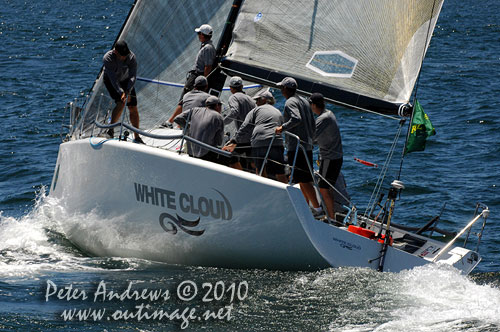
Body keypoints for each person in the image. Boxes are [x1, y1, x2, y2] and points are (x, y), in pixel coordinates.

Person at [274, 77, 322, 217]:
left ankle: (317, 209)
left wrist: (282, 128)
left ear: (284, 89)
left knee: (302, 178)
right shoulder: (305, 101)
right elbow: (312, 123)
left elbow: (296, 118)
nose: (280, 91)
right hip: (307, 145)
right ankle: (305, 207)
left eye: (281, 88)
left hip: (296, 146)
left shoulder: (290, 102)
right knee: (303, 177)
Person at [224, 90, 287, 183]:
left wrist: (234, 141)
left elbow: (244, 127)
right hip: (276, 143)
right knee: (280, 172)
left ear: (264, 100)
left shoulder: (255, 110)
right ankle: (285, 188)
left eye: (257, 100)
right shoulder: (278, 112)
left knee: (260, 170)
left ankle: (258, 187)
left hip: (260, 142)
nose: (256, 103)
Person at [309, 93, 343, 223]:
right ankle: (332, 215)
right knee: (326, 188)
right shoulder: (329, 113)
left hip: (330, 158)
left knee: (323, 188)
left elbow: (312, 138)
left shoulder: (322, 118)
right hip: (334, 157)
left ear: (313, 105)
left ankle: (331, 218)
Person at [103, 40, 143, 143]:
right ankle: (110, 130)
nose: (125, 57)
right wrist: (121, 93)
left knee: (132, 106)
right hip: (111, 81)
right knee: (121, 103)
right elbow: (113, 80)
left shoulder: (131, 57)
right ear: (116, 52)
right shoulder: (108, 58)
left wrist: (128, 90)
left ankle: (137, 136)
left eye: (126, 54)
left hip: (126, 81)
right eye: (122, 55)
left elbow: (133, 76)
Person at [173, 96, 227, 165]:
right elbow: (219, 142)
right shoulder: (219, 117)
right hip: (205, 155)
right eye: (220, 105)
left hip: (190, 152)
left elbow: (177, 118)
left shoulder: (194, 110)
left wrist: (188, 128)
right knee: (232, 159)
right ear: (217, 106)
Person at [223, 76, 257, 170]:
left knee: (228, 154)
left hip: (242, 138)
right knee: (253, 163)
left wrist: (222, 122)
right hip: (253, 137)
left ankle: (239, 175)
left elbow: (235, 112)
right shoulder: (251, 99)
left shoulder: (233, 97)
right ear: (242, 86)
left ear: (230, 88)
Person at [179, 24, 216, 100]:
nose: (198, 35)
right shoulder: (205, 46)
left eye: (199, 33)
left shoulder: (208, 48)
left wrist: (204, 82)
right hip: (195, 75)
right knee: (186, 95)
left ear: (202, 35)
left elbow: (208, 67)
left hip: (197, 76)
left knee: (185, 98)